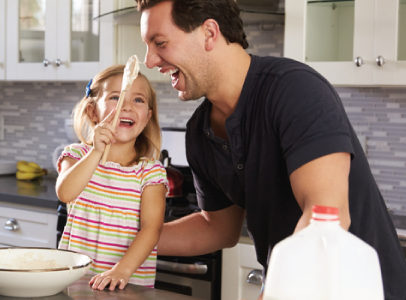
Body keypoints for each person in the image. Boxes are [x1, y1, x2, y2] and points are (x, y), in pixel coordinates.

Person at [135, 0, 406, 298]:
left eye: (159, 42)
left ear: (209, 33)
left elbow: (327, 216)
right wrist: (124, 236)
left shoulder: (295, 90)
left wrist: (275, 291)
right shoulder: (200, 133)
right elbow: (217, 228)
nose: (149, 61)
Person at [56, 64, 168, 290]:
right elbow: (65, 193)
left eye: (138, 100)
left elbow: (151, 229)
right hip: (75, 283)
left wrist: (122, 269)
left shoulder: (150, 172)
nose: (126, 106)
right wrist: (97, 151)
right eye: (116, 97)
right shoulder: (76, 155)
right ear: (92, 112)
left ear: (147, 118)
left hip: (125, 285)